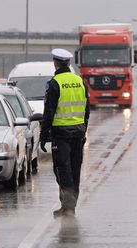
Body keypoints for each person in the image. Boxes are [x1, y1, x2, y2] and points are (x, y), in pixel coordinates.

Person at [40, 48, 90, 217]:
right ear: (68, 63)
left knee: (62, 168)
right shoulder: (79, 81)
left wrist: (43, 133)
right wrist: (84, 130)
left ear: (55, 63)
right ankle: (71, 206)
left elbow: (49, 111)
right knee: (75, 168)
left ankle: (68, 206)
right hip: (78, 132)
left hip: (61, 134)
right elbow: (87, 110)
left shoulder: (55, 83)